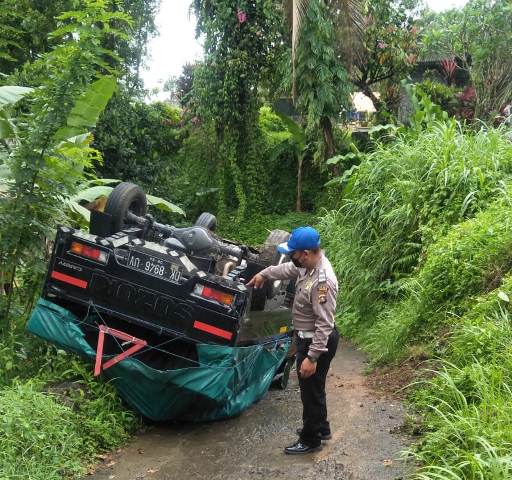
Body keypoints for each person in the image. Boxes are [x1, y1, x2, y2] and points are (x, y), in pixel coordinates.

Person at [247, 226, 339, 454]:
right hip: (309, 338)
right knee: (315, 388)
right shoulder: (306, 267)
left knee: (310, 391)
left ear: (306, 253)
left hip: (317, 341)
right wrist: (265, 273)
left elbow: (324, 324)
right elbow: (286, 269)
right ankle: (322, 427)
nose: (291, 257)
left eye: (294, 253)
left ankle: (311, 440)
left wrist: (312, 356)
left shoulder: (322, 281)